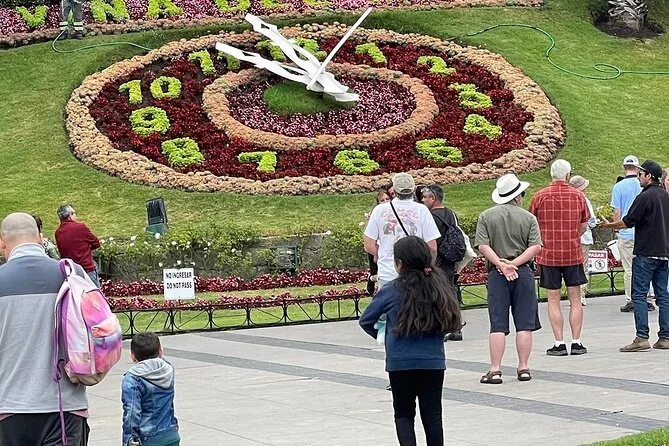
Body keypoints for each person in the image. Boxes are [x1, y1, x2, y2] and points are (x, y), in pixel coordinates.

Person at [359, 236, 462, 446]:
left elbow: (366, 320)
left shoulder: (391, 290)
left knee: (404, 414)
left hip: (399, 362)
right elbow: (452, 318)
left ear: (399, 263)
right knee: (433, 415)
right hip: (433, 362)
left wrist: (385, 336)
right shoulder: (439, 286)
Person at [0, 212, 90, 445]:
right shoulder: (73, 275)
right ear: (40, 238)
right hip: (66, 408)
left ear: (2, 243)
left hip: (9, 407)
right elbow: (101, 331)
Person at [475, 174, 542, 384]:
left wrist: (501, 265)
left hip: (497, 274)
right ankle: (523, 368)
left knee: (497, 324)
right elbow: (535, 247)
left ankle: (495, 370)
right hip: (522, 273)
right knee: (525, 324)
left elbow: (483, 246)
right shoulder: (528, 218)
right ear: (517, 196)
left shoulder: (486, 216)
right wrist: (514, 263)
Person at [600, 160, 669, 352]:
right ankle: (665, 337)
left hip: (645, 252)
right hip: (664, 253)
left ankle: (642, 337)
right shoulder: (666, 196)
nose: (638, 177)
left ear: (649, 176)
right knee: (663, 296)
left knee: (639, 294)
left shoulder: (644, 196)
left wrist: (609, 226)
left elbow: (628, 221)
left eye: (641, 174)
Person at [529, 159, 590, 356]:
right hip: (572, 253)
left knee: (553, 299)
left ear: (551, 174)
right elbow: (584, 225)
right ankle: (577, 342)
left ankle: (559, 342)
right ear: (568, 175)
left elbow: (532, 225)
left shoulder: (539, 196)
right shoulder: (578, 196)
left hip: (549, 255)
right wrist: (572, 236)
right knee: (575, 298)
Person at [364, 173, 441, 290]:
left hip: (387, 273)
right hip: (416, 274)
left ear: (394, 190)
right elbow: (432, 247)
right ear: (413, 189)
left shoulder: (379, 210)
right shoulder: (422, 210)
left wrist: (384, 254)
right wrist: (428, 265)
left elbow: (369, 245)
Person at [611, 156, 656, 312]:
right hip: (644, 233)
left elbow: (617, 212)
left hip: (626, 232)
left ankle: (632, 299)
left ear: (624, 167)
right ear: (637, 169)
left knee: (629, 269)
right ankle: (646, 297)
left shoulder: (618, 187)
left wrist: (616, 228)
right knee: (645, 267)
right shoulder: (643, 185)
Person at [421, 184, 464, 341]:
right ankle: (456, 326)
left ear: (433, 198)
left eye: (425, 197)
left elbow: (430, 242)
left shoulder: (429, 216)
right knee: (450, 291)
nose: (422, 200)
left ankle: (442, 327)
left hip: (436, 260)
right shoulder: (451, 213)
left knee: (437, 293)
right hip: (450, 258)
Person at [122, 332, 180, 446]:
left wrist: (130, 437)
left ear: (132, 355)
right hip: (170, 433)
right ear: (160, 351)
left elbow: (132, 411)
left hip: (147, 438)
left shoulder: (132, 378)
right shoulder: (168, 370)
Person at [568, 176, 598, 306]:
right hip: (583, 237)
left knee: (571, 267)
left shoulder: (567, 199)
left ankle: (572, 295)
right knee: (583, 266)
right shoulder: (584, 200)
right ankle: (581, 295)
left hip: (569, 238)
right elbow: (591, 220)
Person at [55, 204, 102, 286]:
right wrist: (86, 248)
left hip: (71, 271)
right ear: (70, 216)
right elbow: (96, 243)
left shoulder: (58, 233)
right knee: (93, 293)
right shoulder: (80, 227)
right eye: (74, 213)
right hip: (86, 269)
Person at [366, 190, 391, 295]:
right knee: (376, 271)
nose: (385, 202)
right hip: (377, 245)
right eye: (382, 200)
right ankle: (371, 281)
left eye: (387, 199)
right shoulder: (375, 214)